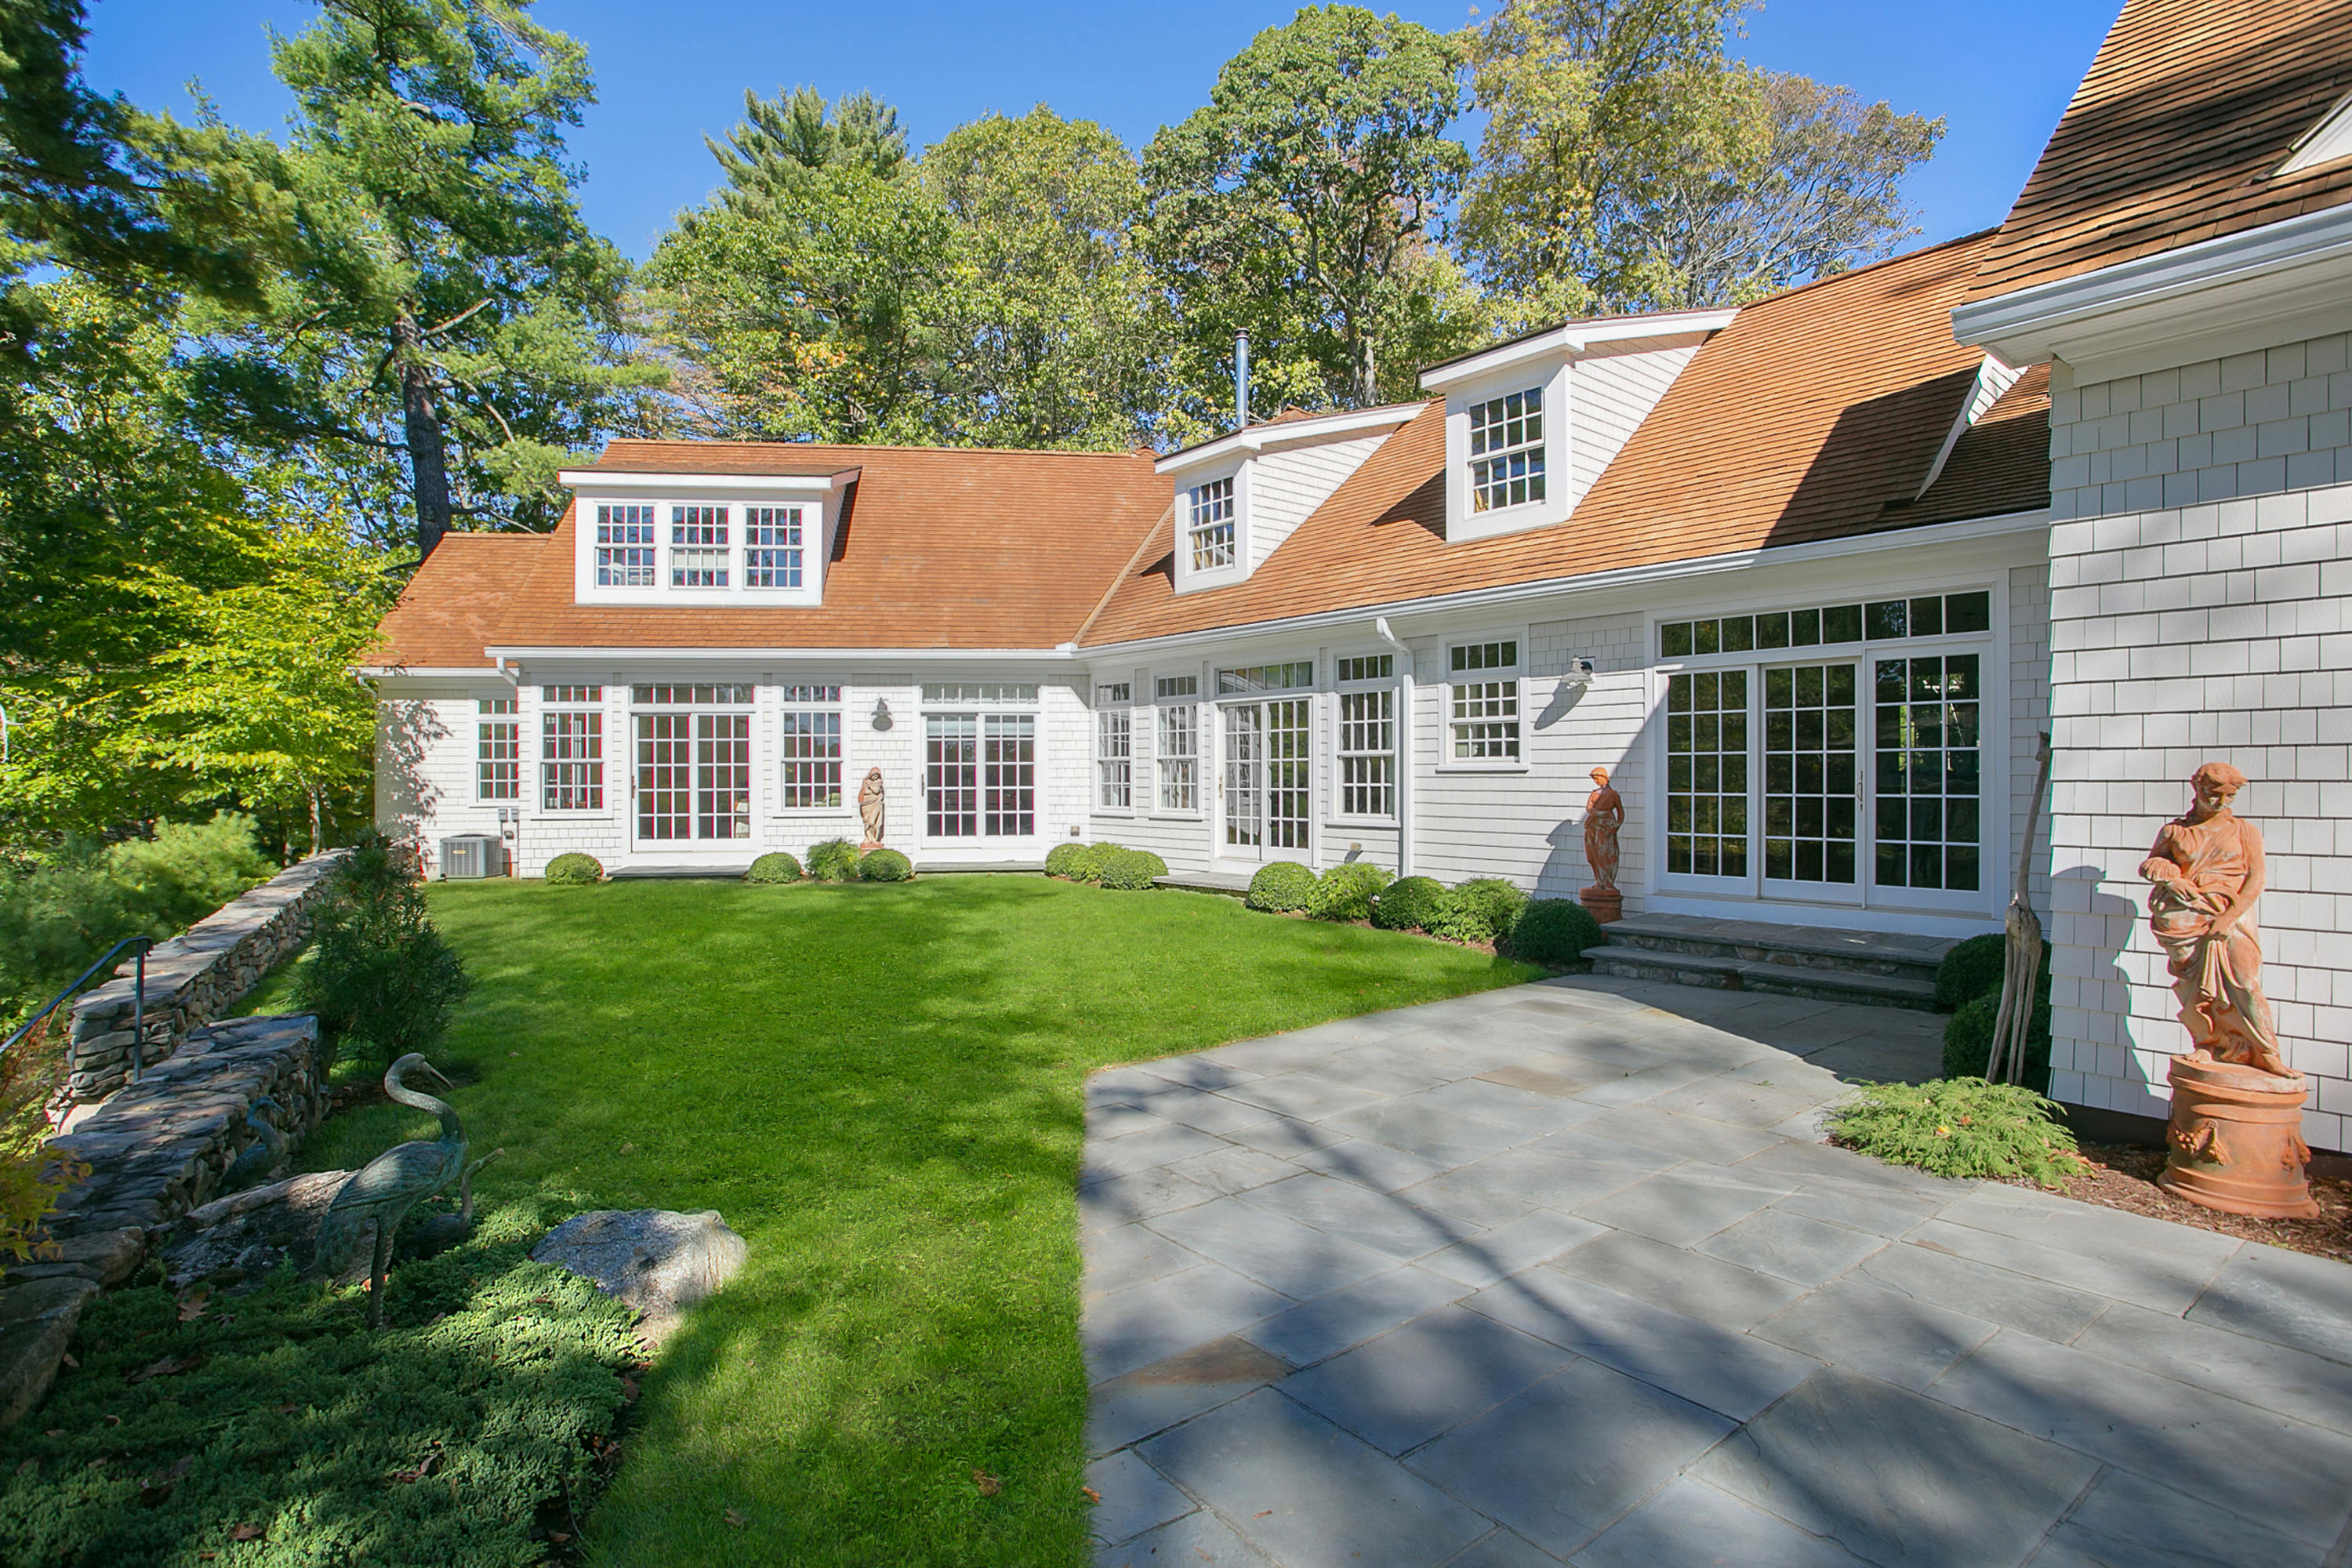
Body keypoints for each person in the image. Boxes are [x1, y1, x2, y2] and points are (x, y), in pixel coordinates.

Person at [2138, 762, 2289, 1076]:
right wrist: (2170, 879)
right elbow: (2150, 864)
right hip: (2182, 920)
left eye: (2229, 796)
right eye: (2213, 793)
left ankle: (2266, 1051)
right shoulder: (2175, 831)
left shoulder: (2245, 831)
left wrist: (2229, 918)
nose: (2221, 801)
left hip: (2230, 915)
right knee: (2193, 986)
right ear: (2197, 788)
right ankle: (2208, 1043)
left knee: (2245, 982)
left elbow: (2257, 879)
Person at [1583, 767, 1623, 892]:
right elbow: (1589, 808)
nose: (1595, 781)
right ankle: (1599, 881)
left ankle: (1607, 882)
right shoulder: (1594, 793)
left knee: (1605, 854)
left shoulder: (1613, 794)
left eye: (1597, 778)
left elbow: (1620, 811)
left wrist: (1617, 824)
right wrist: (1597, 813)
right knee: (1592, 855)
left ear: (1604, 778)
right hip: (1593, 825)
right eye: (1594, 779)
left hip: (1606, 827)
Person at [858, 768, 886, 847]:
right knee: (867, 822)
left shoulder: (878, 782)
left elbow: (876, 791)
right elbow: (864, 793)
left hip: (876, 804)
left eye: (877, 775)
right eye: (874, 775)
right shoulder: (866, 782)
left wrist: (869, 787)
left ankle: (874, 838)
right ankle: (869, 838)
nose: (875, 777)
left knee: (873, 822)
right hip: (867, 806)